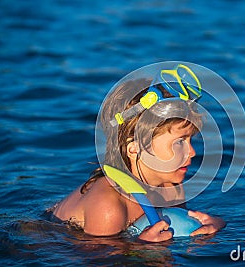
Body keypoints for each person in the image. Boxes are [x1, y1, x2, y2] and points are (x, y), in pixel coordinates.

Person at [52, 64, 226, 242]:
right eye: (179, 142)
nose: (192, 152)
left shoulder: (170, 188)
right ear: (134, 148)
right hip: (49, 239)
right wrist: (143, 247)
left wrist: (217, 225)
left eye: (190, 140)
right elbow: (94, 258)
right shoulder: (109, 206)